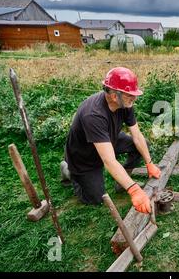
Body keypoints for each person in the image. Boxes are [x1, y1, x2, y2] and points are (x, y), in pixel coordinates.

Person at [60, 67, 161, 214]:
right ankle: (68, 170)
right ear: (114, 96)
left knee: (142, 145)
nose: (134, 98)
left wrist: (149, 163)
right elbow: (109, 161)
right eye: (130, 95)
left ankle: (122, 182)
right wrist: (134, 190)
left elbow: (137, 136)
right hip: (84, 155)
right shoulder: (93, 114)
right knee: (95, 198)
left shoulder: (126, 103)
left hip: (107, 139)